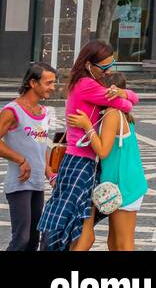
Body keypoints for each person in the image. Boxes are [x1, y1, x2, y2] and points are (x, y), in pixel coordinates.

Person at [41, 41, 138, 252]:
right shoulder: (88, 85)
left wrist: (122, 94)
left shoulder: (80, 83)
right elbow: (130, 104)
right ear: (88, 65)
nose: (108, 71)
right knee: (84, 232)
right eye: (104, 67)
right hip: (82, 164)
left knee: (79, 227)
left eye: (111, 65)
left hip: (79, 162)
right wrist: (123, 96)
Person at [67, 72, 148, 252]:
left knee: (123, 244)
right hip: (123, 183)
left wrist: (87, 125)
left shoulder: (112, 113)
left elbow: (103, 151)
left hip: (124, 185)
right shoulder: (121, 113)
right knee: (114, 243)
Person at [1, 61, 58, 252]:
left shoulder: (43, 113)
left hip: (36, 184)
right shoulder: (12, 110)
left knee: (34, 240)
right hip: (19, 184)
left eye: (54, 82)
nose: (53, 87)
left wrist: (51, 175)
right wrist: (20, 160)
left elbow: (39, 149)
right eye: (48, 83)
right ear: (33, 83)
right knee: (21, 239)